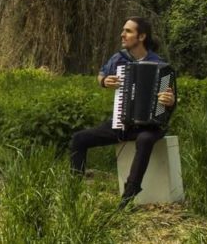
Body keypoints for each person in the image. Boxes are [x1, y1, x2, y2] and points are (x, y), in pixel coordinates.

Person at [68, 17, 176, 209]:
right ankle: (73, 192)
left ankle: (129, 195)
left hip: (150, 125)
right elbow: (101, 74)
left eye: (128, 31)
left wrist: (169, 100)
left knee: (144, 139)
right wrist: (103, 81)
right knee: (79, 139)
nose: (122, 34)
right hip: (121, 122)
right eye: (123, 30)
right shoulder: (119, 58)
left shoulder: (160, 66)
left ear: (141, 36)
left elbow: (170, 100)